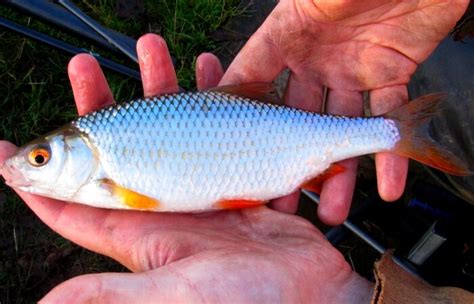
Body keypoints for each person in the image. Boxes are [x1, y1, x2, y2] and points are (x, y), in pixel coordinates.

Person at [0, 0, 469, 302]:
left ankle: (394, 132)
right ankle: (397, 133)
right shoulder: (102, 162)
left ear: (79, 148)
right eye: (38, 158)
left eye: (40, 157)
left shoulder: (106, 171)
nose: (29, 163)